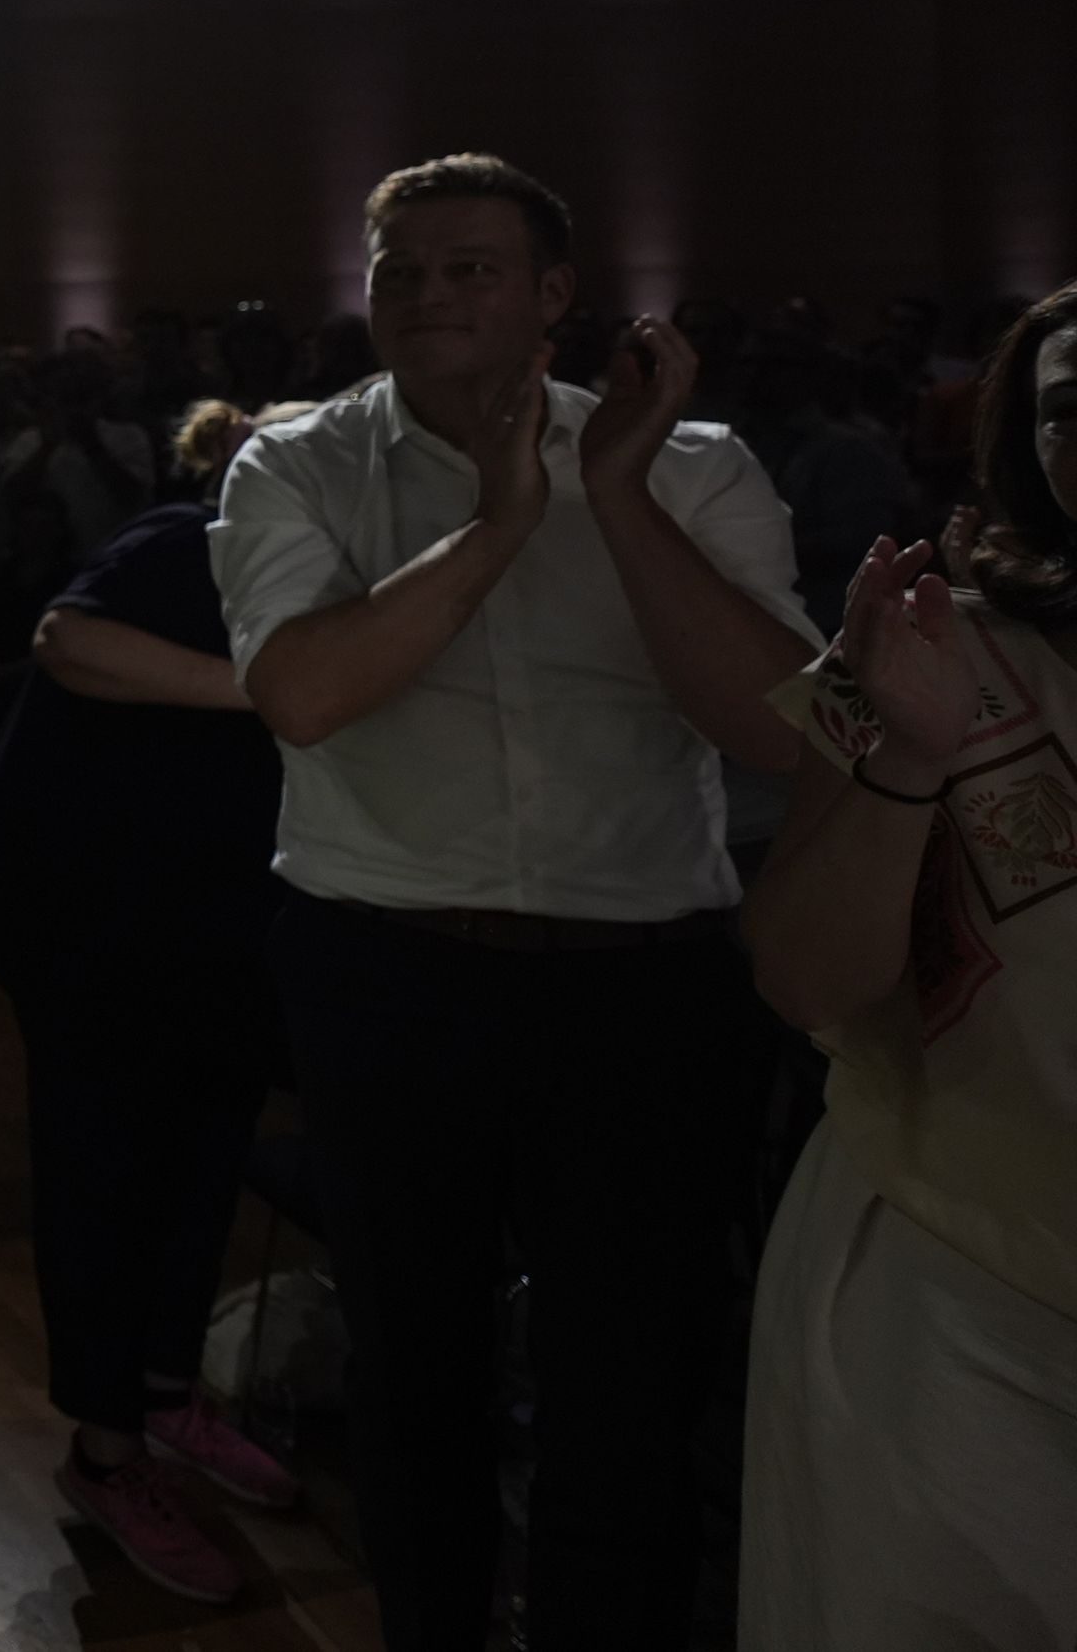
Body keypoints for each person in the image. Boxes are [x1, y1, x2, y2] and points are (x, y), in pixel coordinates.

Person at [211, 153, 813, 1652]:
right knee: (415, 1364)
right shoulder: (293, 465)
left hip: (639, 975)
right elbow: (304, 692)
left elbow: (775, 723)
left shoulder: (696, 462)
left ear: (555, 293)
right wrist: (497, 521)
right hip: (385, 959)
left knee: (633, 1377)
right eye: (401, 268)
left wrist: (608, 493)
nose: (428, 294)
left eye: (472, 266)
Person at [636, 285, 1077, 1650]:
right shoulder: (918, 636)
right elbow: (801, 975)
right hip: (952, 1276)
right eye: (1069, 406)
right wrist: (908, 756)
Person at [0, 399, 302, 1606]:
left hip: (221, 928)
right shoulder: (180, 538)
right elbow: (68, 640)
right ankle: (107, 1449)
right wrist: (275, 687)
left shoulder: (329, 577)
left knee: (201, 1169)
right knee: (105, 1178)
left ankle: (161, 1398)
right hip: (96, 927)